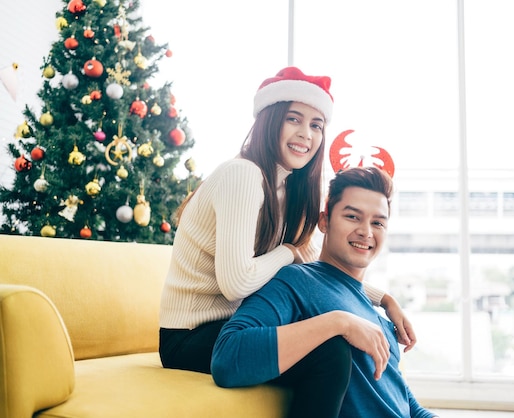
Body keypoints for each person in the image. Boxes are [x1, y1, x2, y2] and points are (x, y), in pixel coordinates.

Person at [158, 67, 416, 415]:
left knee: (325, 328)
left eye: (316, 125)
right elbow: (235, 284)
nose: (305, 134)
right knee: (330, 347)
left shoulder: (288, 190)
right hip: (189, 335)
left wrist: (384, 300)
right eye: (294, 119)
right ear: (270, 120)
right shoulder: (243, 175)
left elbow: (317, 272)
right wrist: (287, 252)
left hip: (237, 318)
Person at [211, 166, 439, 418]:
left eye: (378, 222)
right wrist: (337, 323)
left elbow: (404, 403)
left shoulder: (379, 318)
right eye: (352, 217)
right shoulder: (294, 281)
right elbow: (227, 357)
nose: (366, 231)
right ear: (324, 221)